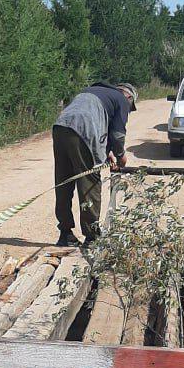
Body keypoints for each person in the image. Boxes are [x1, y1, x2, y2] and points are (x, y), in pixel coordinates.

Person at [52, 80, 137, 246]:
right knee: (89, 183)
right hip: (83, 128)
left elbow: (101, 129)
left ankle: (65, 233)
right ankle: (92, 237)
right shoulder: (121, 100)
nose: (129, 110)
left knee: (64, 181)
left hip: (60, 127)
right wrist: (121, 156)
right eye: (131, 105)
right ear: (128, 96)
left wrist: (107, 154)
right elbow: (118, 135)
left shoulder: (93, 91)